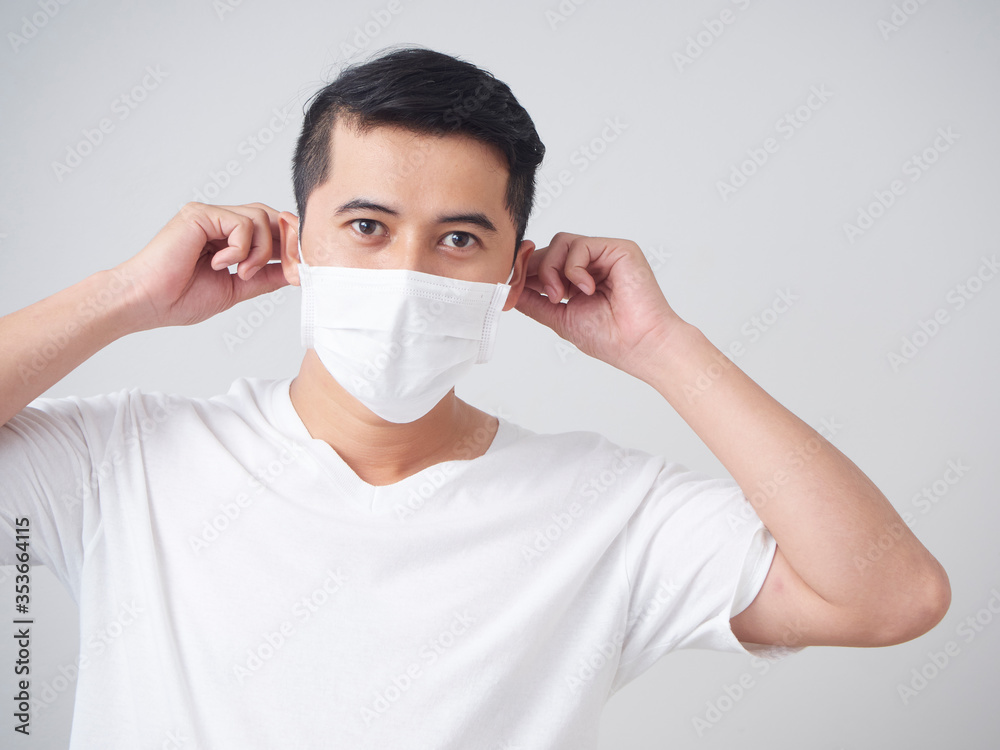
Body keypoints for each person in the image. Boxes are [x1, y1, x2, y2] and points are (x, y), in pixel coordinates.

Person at [0, 45, 949, 748]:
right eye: (366, 225)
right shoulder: (121, 461)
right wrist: (127, 296)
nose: (407, 268)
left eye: (458, 239)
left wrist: (663, 349)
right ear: (297, 246)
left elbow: (888, 596)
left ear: (511, 271)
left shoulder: (604, 509)